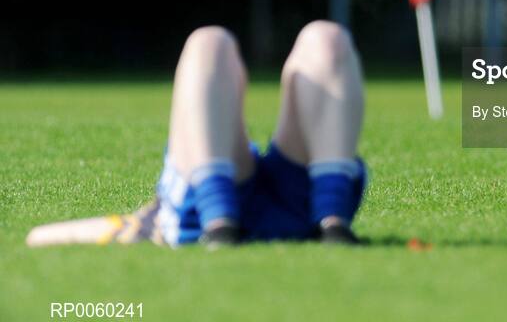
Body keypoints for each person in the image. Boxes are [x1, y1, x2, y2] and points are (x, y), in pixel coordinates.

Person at [27, 21, 368, 247]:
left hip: (304, 207)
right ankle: (219, 222)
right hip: (206, 203)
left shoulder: (151, 218)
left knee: (327, 38)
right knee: (210, 42)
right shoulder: (156, 219)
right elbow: (40, 237)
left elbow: (40, 237)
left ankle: (333, 224)